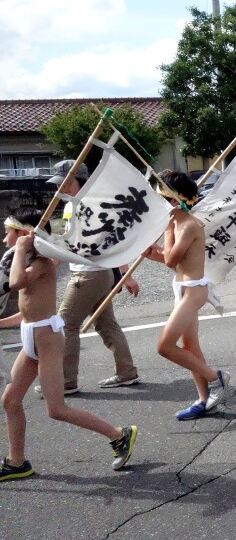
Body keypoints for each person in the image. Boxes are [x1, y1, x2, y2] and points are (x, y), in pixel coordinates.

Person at [1, 207, 136, 481]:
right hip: (32, 334)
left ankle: (119, 435)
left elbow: (15, 283)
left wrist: (21, 246)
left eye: (9, 234)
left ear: (25, 235)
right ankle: (17, 462)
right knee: (10, 400)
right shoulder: (34, 261)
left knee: (57, 410)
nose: (5, 241)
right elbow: (27, 310)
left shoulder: (41, 264)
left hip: (47, 339)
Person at [34, 159, 141, 398]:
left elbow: (110, 240)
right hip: (95, 273)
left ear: (78, 180)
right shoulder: (72, 204)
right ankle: (127, 373)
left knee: (66, 325)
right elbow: (71, 241)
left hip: (89, 274)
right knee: (106, 324)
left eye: (63, 182)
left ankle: (66, 381)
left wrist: (126, 274)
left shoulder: (90, 204)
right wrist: (54, 261)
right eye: (57, 183)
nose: (58, 187)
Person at [142, 171, 230, 421]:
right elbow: (174, 261)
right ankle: (203, 400)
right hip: (181, 288)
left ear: (173, 201)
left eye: (161, 198)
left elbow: (170, 260)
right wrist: (153, 254)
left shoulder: (188, 224)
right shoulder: (177, 222)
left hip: (194, 291)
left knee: (165, 346)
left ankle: (216, 378)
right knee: (189, 346)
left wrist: (167, 231)